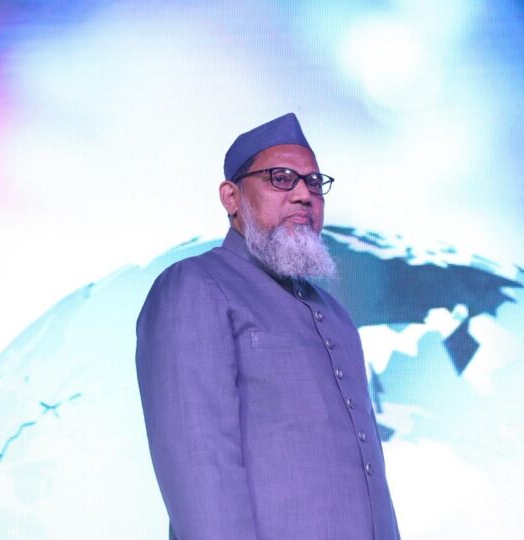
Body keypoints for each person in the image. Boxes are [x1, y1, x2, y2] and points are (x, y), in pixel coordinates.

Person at [136, 113, 401, 539]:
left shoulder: (335, 315)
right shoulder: (196, 286)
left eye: (314, 183)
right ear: (231, 197)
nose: (303, 194)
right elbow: (199, 466)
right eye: (281, 178)